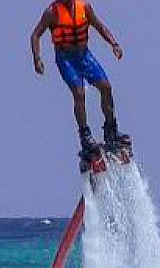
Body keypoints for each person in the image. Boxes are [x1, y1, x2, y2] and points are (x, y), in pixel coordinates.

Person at [30, 0, 130, 167]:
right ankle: (85, 136)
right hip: (66, 59)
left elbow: (100, 26)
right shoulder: (51, 12)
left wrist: (114, 44)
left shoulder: (84, 7)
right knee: (79, 93)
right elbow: (35, 35)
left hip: (84, 56)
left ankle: (111, 130)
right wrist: (37, 58)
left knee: (106, 87)